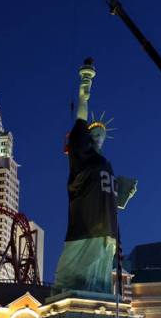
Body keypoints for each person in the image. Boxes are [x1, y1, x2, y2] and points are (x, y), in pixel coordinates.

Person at [53, 58, 138, 294]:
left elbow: (114, 204)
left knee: (98, 281)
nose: (99, 135)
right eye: (95, 132)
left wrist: (124, 195)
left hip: (106, 230)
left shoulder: (106, 164)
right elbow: (80, 117)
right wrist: (85, 89)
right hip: (83, 225)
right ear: (87, 137)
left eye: (102, 133)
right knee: (67, 277)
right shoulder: (81, 153)